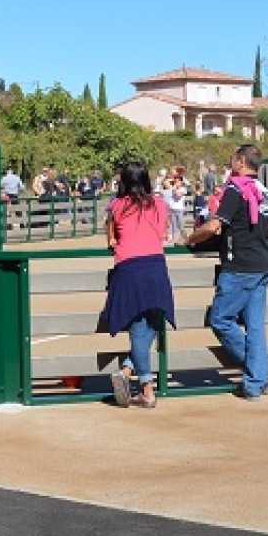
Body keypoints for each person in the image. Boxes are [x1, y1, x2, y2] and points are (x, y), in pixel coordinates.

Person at [185, 144, 268, 400]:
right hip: (261, 263)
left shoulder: (236, 189)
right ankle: (254, 381)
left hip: (239, 266)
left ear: (240, 162)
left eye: (233, 159)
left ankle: (257, 371)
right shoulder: (264, 191)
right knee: (255, 326)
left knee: (221, 319)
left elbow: (214, 226)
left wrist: (190, 239)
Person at [103, 161, 176, 409]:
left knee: (138, 326)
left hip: (128, 268)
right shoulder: (160, 204)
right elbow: (162, 235)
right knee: (151, 323)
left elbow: (112, 239)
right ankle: (143, 386)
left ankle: (134, 378)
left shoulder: (116, 206)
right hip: (155, 266)